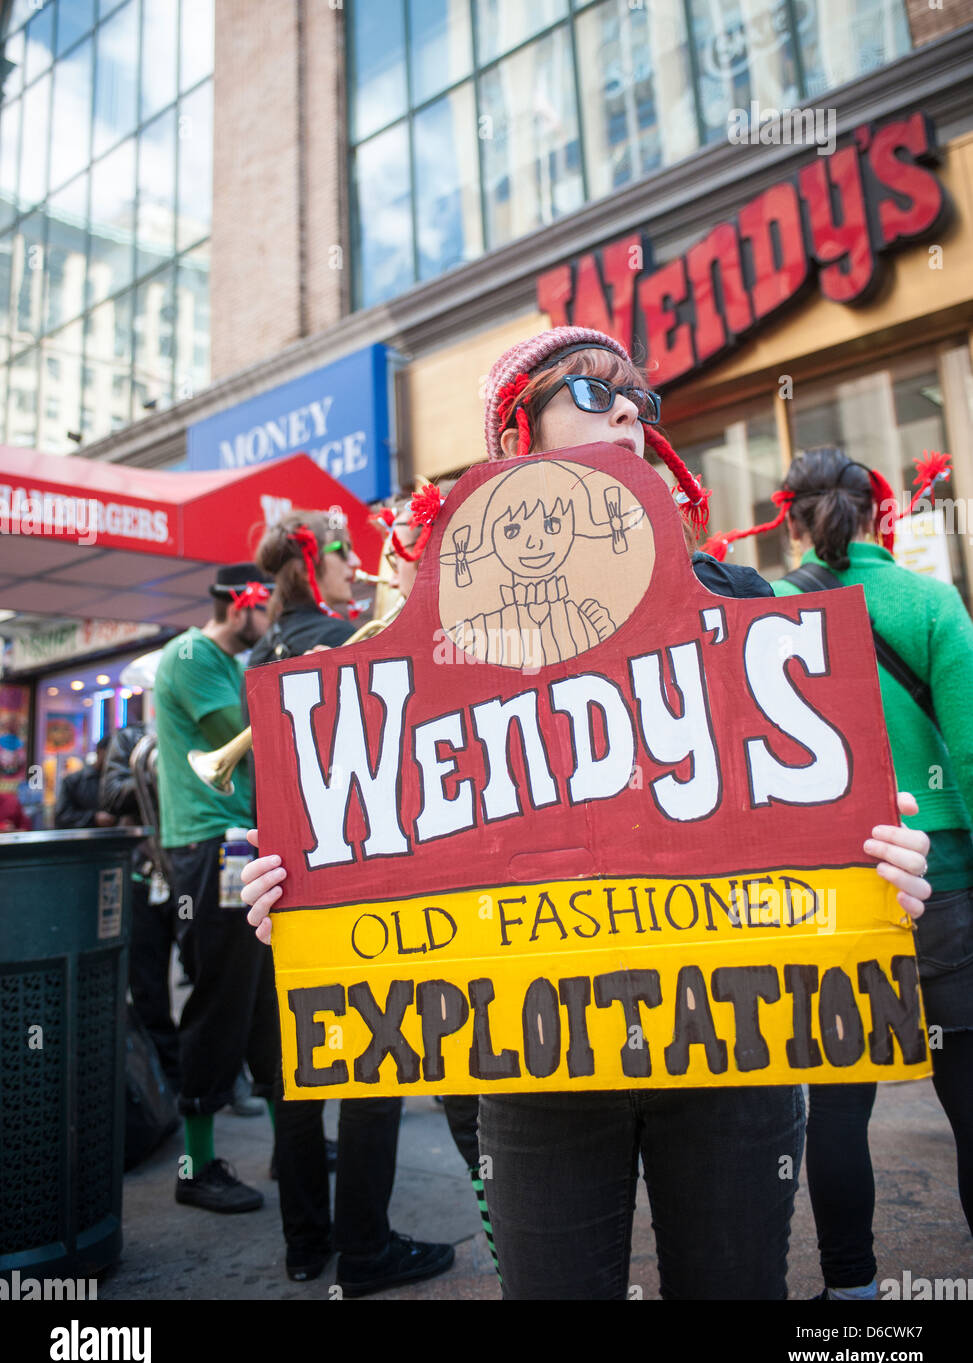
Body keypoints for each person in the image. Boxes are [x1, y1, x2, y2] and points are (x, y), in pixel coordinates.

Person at [240, 326, 934, 1299]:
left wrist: (878, 864)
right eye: (594, 390)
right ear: (514, 434)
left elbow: (813, 825)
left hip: (731, 1045)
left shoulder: (743, 605)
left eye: (641, 401)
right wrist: (303, 902)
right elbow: (376, 847)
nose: (629, 413)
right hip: (536, 1069)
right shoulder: (429, 654)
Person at [762, 445, 973, 1298]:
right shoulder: (931, 601)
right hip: (948, 886)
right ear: (880, 515)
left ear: (789, 523)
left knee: (837, 1112)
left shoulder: (766, 613)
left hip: (831, 898)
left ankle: (851, 1294)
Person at [245, 510, 455, 1296]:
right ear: (321, 564)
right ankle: (365, 1248)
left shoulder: (262, 649)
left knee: (299, 1070)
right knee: (373, 1066)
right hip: (353, 872)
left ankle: (306, 1244)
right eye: (343, 554)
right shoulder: (336, 639)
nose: (354, 566)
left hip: (281, 879)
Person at [154, 562, 280, 1214]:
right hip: (215, 847)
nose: (270, 621)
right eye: (268, 609)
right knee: (220, 999)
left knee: (260, 1000)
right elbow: (242, 744)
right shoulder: (194, 655)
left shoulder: (223, 660)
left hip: (234, 845)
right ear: (242, 607)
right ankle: (193, 1166)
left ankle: (295, 1145)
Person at [100, 721, 181, 1090]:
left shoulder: (192, 731)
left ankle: (216, 1073)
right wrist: (159, 771)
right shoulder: (132, 739)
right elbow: (112, 796)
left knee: (212, 980)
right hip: (145, 876)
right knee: (148, 985)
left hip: (190, 872)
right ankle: (167, 1073)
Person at [54, 734, 115, 828]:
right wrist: (93, 818)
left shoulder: (117, 782)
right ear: (100, 752)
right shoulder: (73, 781)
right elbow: (62, 817)